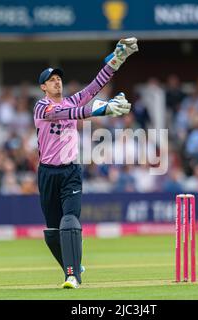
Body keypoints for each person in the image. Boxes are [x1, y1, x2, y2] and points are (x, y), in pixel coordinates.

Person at [33, 38, 138, 289]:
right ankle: (74, 264)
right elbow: (67, 114)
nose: (57, 81)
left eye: (59, 78)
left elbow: (95, 86)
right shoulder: (41, 107)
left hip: (70, 171)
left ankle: (72, 276)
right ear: (43, 87)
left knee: (70, 220)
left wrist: (117, 60)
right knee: (52, 232)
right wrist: (102, 110)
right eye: (52, 79)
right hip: (47, 172)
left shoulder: (71, 100)